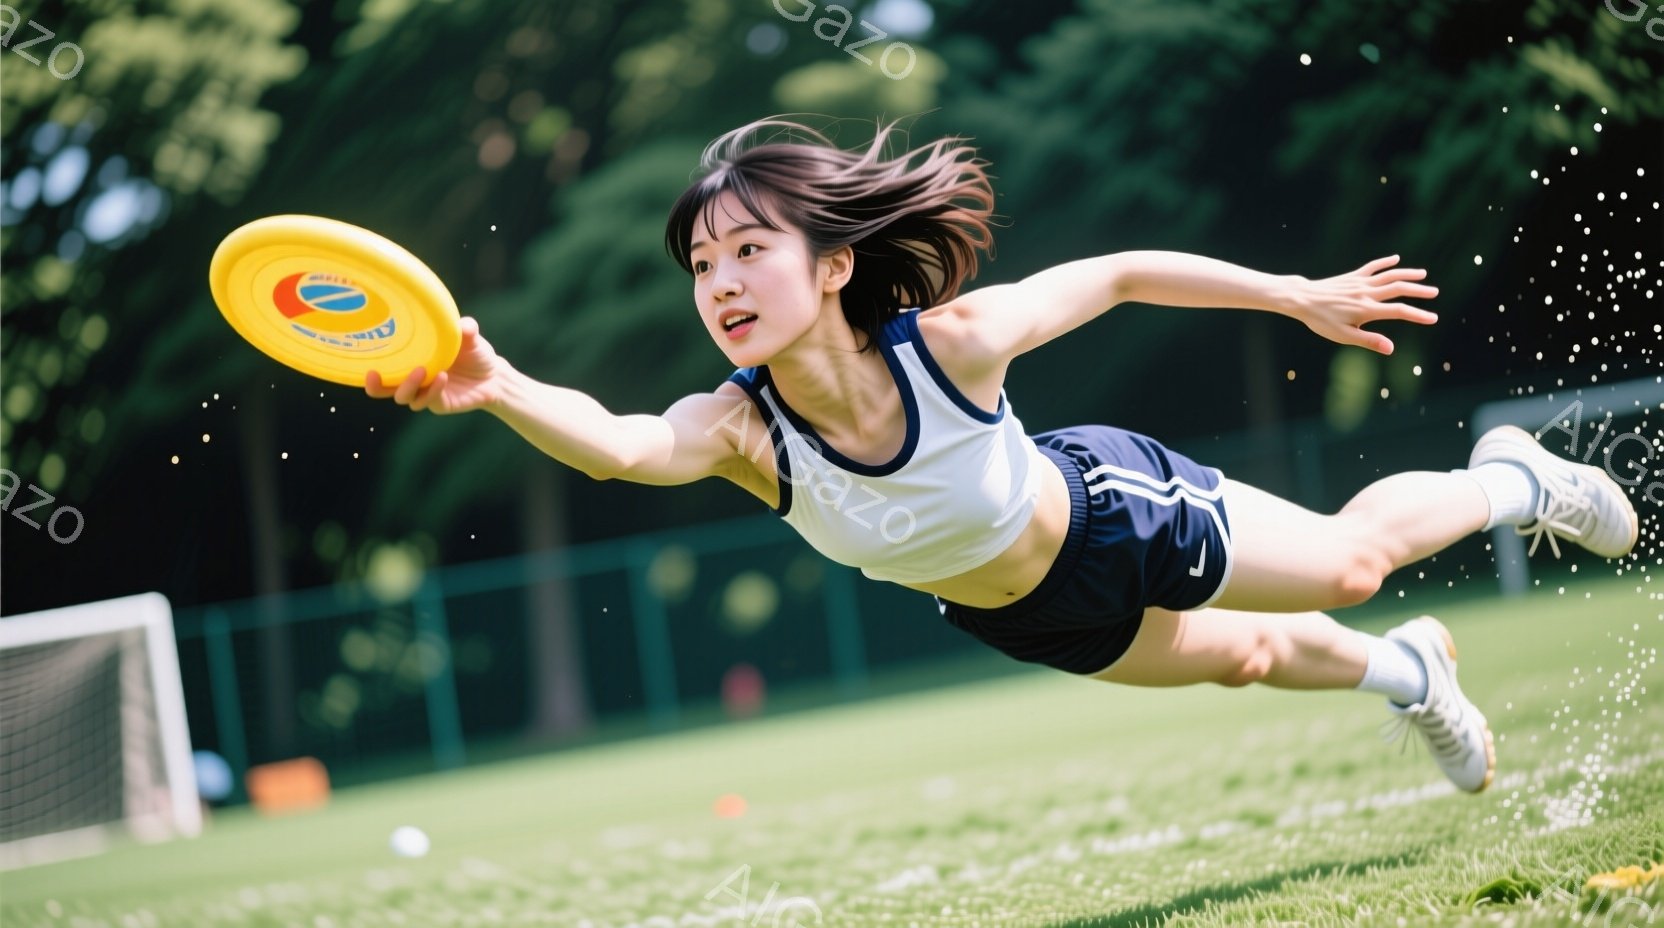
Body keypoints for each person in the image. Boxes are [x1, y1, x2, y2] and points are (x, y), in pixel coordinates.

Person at [366, 117, 1639, 794]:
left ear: (833, 261)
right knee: (1247, 658)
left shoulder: (952, 345)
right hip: (1024, 616)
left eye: (750, 248)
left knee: (1349, 566)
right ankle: (1411, 676)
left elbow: (1123, 271)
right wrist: (498, 384)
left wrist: (1293, 292)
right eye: (702, 264)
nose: (722, 281)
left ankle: (1514, 478)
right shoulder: (741, 427)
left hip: (1110, 513)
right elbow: (624, 448)